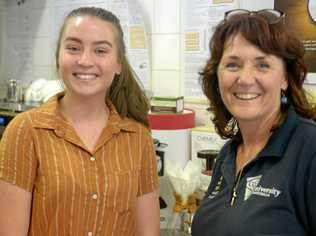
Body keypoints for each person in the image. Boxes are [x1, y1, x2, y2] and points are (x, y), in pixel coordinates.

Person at [0, 7, 160, 236]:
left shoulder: (138, 137)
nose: (85, 60)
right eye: (73, 48)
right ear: (58, 58)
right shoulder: (26, 131)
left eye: (100, 50)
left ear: (118, 64)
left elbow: (148, 231)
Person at [191, 9, 316, 235]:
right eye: (232, 65)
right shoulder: (227, 156)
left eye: (263, 65)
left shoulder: (309, 150)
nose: (246, 79)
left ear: (285, 78)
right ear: (217, 76)